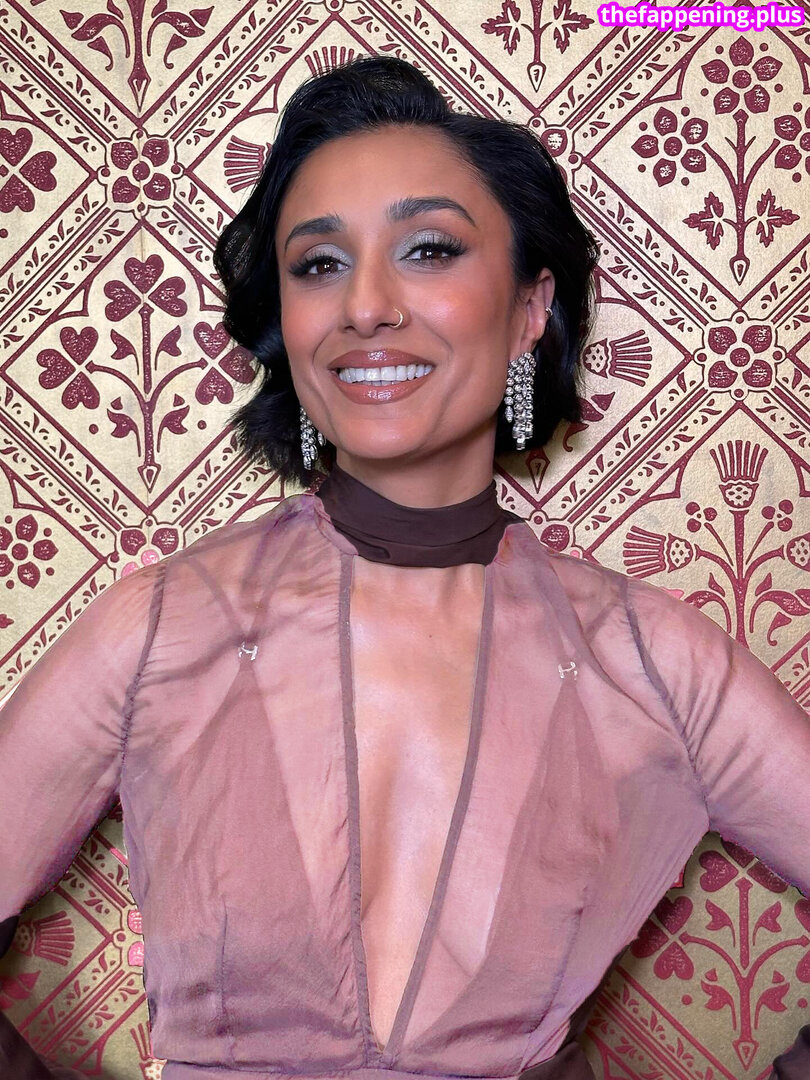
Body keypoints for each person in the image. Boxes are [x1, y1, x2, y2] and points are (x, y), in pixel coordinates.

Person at [1, 55, 809, 1080]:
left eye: (428, 249)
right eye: (318, 265)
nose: (366, 306)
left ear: (530, 309)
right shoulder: (161, 626)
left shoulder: (652, 660)